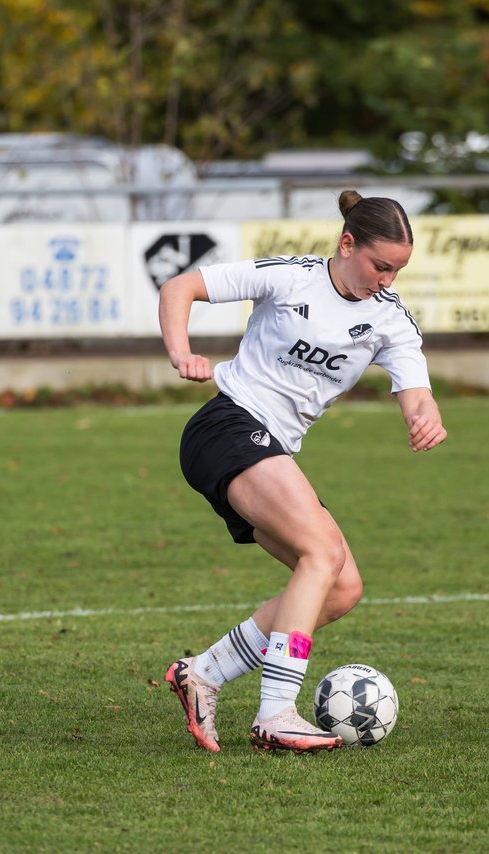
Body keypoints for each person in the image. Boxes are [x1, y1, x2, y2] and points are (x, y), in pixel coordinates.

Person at [158, 190, 446, 752]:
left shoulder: (391, 320)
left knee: (341, 586)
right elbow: (180, 287)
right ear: (347, 244)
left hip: (268, 448)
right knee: (322, 553)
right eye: (379, 265)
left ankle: (205, 673)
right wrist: (180, 352)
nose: (387, 279)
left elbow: (417, 392)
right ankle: (276, 711)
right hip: (227, 425)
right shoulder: (292, 277)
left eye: (398, 269)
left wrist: (424, 418)